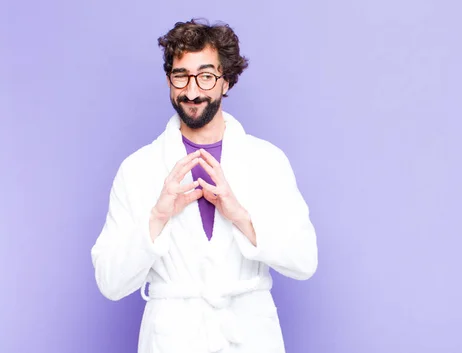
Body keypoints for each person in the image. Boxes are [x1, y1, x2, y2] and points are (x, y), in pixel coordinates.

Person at [90, 18, 318, 353]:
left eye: (206, 76)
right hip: (172, 339)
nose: (192, 91)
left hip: (249, 336)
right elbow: (109, 282)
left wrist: (240, 215)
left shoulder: (267, 161)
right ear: (170, 79)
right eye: (181, 76)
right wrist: (157, 217)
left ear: (226, 81)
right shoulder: (138, 169)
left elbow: (304, 260)